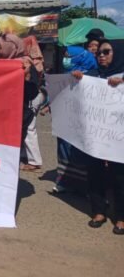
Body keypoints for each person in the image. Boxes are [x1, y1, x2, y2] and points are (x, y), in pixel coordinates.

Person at [73, 39, 124, 235]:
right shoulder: (93, 75)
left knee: (119, 176)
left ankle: (121, 216)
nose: (101, 55)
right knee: (94, 172)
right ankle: (99, 211)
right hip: (97, 135)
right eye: (99, 53)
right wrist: (78, 80)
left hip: (118, 138)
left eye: (106, 52)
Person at [52, 46, 98, 194]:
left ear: (79, 58)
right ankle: (65, 181)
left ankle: (83, 186)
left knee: (79, 151)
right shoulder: (67, 74)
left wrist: (83, 78)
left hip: (84, 121)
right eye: (65, 56)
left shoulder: (95, 74)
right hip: (66, 119)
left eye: (69, 57)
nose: (66, 60)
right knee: (64, 149)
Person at [0, 33, 43, 172]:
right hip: (21, 101)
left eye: (0, 48)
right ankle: (24, 157)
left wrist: (24, 77)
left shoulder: (24, 63)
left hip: (29, 100)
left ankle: (34, 161)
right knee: (22, 129)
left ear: (11, 47)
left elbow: (31, 88)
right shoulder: (9, 62)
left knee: (29, 129)